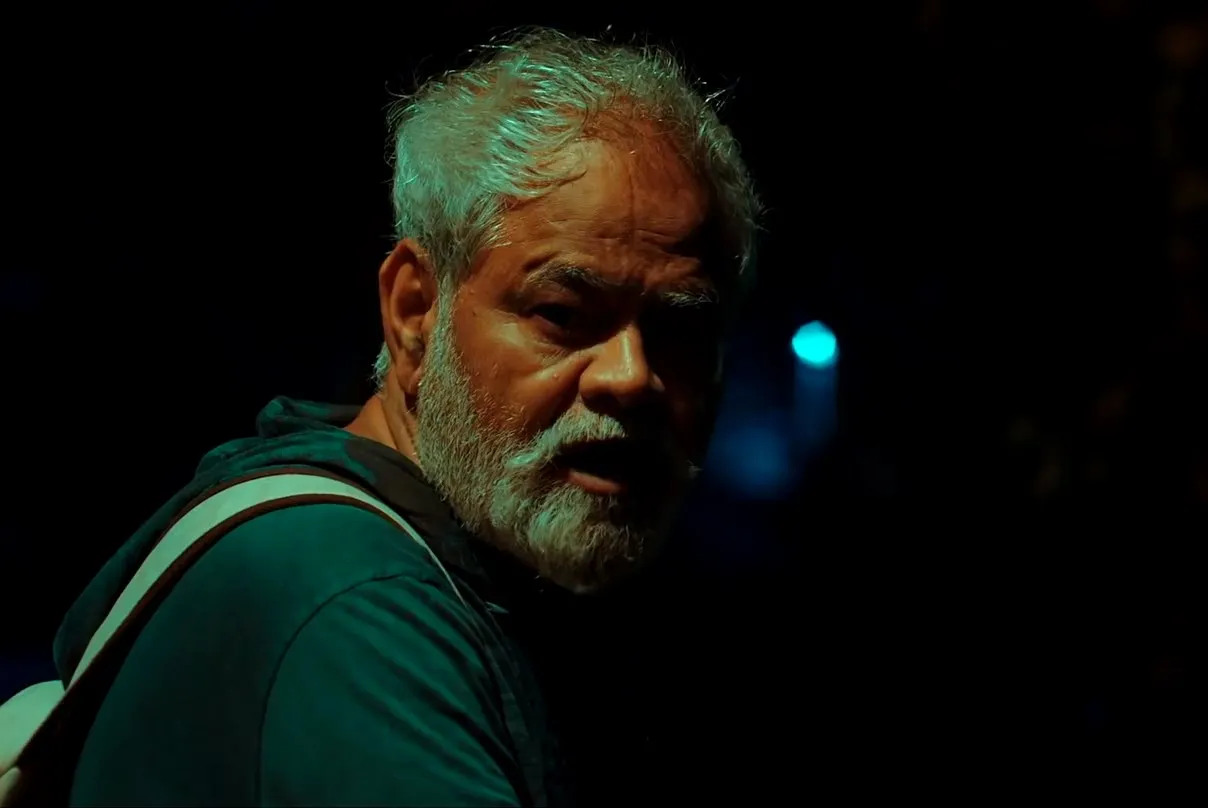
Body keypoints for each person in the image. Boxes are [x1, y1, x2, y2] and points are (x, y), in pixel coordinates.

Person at [45, 26, 758, 805]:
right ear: (416, 311)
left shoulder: (490, 576)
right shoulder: (350, 597)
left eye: (683, 331)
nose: (632, 377)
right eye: (561, 313)